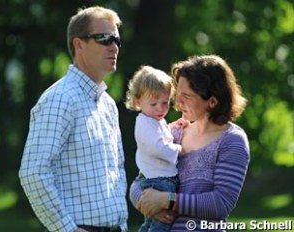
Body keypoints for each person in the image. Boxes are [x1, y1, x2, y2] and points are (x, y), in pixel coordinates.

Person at [18, 5, 128, 232]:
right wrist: (66, 229)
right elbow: (33, 173)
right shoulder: (59, 99)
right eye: (104, 38)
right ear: (79, 44)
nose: (114, 47)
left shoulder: (108, 104)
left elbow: (116, 171)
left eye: (116, 40)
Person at [129, 54, 250, 231]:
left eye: (186, 96)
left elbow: (221, 203)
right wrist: (149, 206)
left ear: (212, 101)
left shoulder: (232, 141)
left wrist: (167, 200)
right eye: (178, 95)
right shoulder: (173, 133)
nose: (177, 103)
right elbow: (138, 183)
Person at [125, 65, 185, 231]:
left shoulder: (154, 119)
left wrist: (172, 126)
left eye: (165, 102)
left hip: (158, 178)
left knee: (151, 223)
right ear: (138, 101)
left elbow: (160, 134)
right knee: (162, 224)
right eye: (154, 103)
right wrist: (179, 150)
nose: (160, 108)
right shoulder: (145, 123)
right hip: (158, 181)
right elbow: (158, 147)